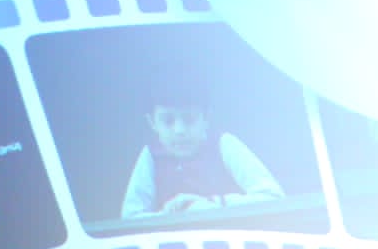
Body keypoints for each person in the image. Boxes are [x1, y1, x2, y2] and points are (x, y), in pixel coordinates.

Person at [120, 74, 283, 218]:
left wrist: (213, 204)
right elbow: (130, 216)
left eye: (189, 119)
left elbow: (273, 197)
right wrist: (168, 215)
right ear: (152, 123)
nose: (179, 130)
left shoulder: (224, 144)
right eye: (168, 121)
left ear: (206, 118)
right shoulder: (151, 155)